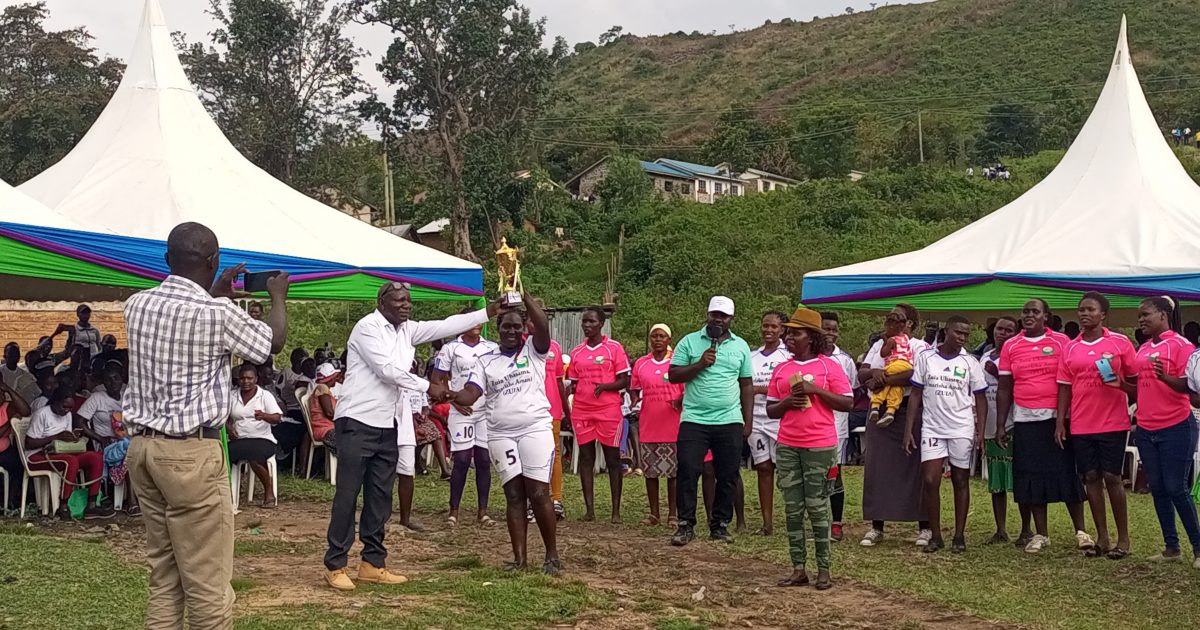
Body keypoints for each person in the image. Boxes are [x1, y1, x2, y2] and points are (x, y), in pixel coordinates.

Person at [124, 222, 287, 628]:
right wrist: (277, 297)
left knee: (165, 578)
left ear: (167, 258)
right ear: (214, 261)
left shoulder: (136, 304)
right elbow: (272, 344)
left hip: (144, 450)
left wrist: (214, 292)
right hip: (191, 455)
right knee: (208, 585)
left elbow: (185, 319)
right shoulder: (219, 314)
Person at [322, 281, 498, 591]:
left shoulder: (407, 330)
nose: (406, 305)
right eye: (399, 300)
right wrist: (429, 387)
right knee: (348, 495)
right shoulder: (367, 327)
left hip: (388, 423)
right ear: (382, 302)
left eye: (408, 300)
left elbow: (446, 325)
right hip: (357, 421)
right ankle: (335, 565)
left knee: (380, 496)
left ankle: (372, 563)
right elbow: (387, 370)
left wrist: (489, 311)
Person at [451, 294, 561, 574]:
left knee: (538, 493)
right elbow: (471, 393)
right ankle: (519, 559)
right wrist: (449, 394)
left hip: (534, 429)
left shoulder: (534, 350)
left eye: (516, 327)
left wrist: (523, 294)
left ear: (524, 328)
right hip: (500, 434)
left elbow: (543, 325)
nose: (511, 331)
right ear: (497, 329)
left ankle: (551, 555)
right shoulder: (485, 361)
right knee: (513, 495)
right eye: (506, 327)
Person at [766, 307, 852, 590]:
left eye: (796, 333)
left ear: (812, 337)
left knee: (818, 507)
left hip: (820, 447)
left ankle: (824, 569)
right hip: (788, 445)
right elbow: (771, 409)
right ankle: (798, 568)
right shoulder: (782, 369)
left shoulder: (829, 367)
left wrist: (816, 391)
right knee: (793, 509)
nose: (789, 337)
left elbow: (848, 402)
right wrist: (787, 403)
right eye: (789, 333)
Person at [996, 298, 1090, 554]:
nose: (1029, 315)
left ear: (1045, 316)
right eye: (1025, 311)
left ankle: (1081, 531)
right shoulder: (1011, 346)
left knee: (1066, 474)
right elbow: (1004, 388)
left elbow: (1068, 382)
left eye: (1035, 312)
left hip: (1057, 420)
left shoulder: (1061, 342)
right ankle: (1041, 534)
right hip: (1025, 420)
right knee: (1031, 476)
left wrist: (1062, 419)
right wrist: (1001, 424)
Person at [668, 296, 753, 546]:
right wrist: (699, 364)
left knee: (728, 474)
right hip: (694, 419)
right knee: (688, 470)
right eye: (714, 314)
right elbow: (673, 375)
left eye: (723, 316)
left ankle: (720, 525)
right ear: (707, 315)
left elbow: (746, 384)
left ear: (731, 319)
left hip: (729, 419)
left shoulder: (741, 346)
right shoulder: (689, 341)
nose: (718, 319)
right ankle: (685, 525)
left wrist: (747, 420)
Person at [1056, 293, 1135, 559]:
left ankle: (1123, 540)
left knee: (1112, 477)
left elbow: (1136, 382)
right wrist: (1060, 421)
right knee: (1090, 477)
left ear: (1103, 314)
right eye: (1081, 309)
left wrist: (1120, 385)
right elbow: (1064, 387)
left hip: (1113, 421)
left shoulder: (1120, 343)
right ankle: (1102, 538)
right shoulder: (1070, 347)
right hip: (1081, 422)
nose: (1084, 314)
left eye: (1090, 309)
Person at [904, 316, 987, 553]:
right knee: (931, 480)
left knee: (960, 480)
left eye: (966, 335)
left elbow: (980, 398)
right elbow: (916, 395)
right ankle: (936, 535)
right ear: (946, 331)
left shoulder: (970, 362)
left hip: (961, 427)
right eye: (958, 333)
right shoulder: (926, 357)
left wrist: (980, 431)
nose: (962, 338)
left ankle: (959, 536)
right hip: (932, 427)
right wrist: (909, 429)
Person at [1133, 296, 1200, 567]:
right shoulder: (1143, 348)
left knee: (1176, 487)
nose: (1141, 319)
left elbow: (1190, 386)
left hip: (1176, 426)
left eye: (1146, 314)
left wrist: (1166, 378)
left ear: (1163, 315)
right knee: (1158, 487)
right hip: (1146, 427)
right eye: (1140, 315)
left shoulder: (1182, 346)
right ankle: (1171, 547)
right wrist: (1118, 384)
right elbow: (1141, 385)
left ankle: (1198, 548)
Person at [858, 304, 931, 548]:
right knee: (877, 465)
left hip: (910, 409)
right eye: (888, 317)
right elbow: (862, 374)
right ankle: (877, 526)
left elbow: (915, 375)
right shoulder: (879, 345)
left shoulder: (920, 347)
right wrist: (874, 373)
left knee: (916, 465)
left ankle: (925, 526)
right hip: (879, 410)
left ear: (910, 324)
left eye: (897, 317)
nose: (890, 320)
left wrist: (882, 378)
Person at [431, 315, 499, 526]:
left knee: (483, 460)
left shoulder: (492, 347)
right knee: (461, 460)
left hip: (485, 411)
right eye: (471, 320)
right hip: (461, 411)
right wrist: (454, 400)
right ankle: (454, 511)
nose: (477, 324)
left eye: (479, 320)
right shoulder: (451, 348)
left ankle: (483, 512)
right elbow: (436, 380)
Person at [568, 306, 631, 523]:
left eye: (591, 321)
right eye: (584, 321)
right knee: (586, 458)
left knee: (612, 458)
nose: (587, 325)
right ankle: (589, 510)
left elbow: (625, 380)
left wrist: (605, 387)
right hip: (582, 410)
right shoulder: (577, 352)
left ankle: (616, 511)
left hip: (608, 410)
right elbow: (573, 383)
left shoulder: (614, 348)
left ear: (601, 324)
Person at [26, 385, 112, 519]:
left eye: (70, 408)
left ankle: (92, 505)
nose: (66, 411)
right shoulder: (41, 414)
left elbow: (65, 439)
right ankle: (63, 506)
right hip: (38, 456)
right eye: (64, 407)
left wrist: (72, 438)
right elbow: (29, 443)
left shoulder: (68, 415)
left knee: (96, 457)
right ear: (56, 402)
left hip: (62, 452)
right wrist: (55, 437)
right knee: (70, 461)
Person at [629, 323, 685, 527]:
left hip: (672, 423)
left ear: (669, 339)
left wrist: (679, 400)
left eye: (662, 336)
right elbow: (634, 388)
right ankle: (654, 513)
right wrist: (634, 398)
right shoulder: (641, 363)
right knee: (650, 471)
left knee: (674, 473)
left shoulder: (677, 362)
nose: (658, 339)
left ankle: (673, 514)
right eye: (654, 336)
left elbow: (687, 389)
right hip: (649, 422)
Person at [980, 315, 1028, 543]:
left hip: (1013, 423)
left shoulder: (1019, 356)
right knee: (996, 482)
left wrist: (997, 374)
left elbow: (1022, 387)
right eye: (1000, 329)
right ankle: (1000, 530)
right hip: (991, 424)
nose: (1003, 333)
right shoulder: (985, 357)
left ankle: (1026, 529)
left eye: (1009, 330)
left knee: (1020, 479)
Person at [748, 311, 791, 535]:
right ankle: (767, 524)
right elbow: (744, 385)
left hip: (780, 418)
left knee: (786, 469)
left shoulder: (788, 357)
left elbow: (790, 387)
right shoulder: (752, 356)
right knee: (763, 467)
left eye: (774, 327)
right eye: (765, 326)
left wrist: (760, 389)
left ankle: (794, 518)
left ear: (782, 329)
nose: (768, 330)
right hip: (756, 418)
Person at [820, 312, 858, 542]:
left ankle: (836, 523)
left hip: (837, 426)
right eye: (826, 328)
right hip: (812, 425)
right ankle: (816, 520)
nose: (831, 334)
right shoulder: (809, 357)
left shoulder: (845, 360)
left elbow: (852, 391)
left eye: (834, 330)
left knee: (835, 474)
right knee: (813, 474)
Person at [532, 302, 570, 520]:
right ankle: (533, 500)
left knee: (553, 453)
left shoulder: (554, 347)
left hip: (551, 409)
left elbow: (558, 382)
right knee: (530, 456)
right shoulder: (520, 346)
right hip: (528, 410)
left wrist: (567, 412)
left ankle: (555, 499)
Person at [228, 363, 283, 508]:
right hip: (239, 439)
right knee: (222, 453)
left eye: (249, 378)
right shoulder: (232, 395)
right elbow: (225, 418)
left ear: (256, 379)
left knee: (253, 452)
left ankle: (269, 491)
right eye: (242, 378)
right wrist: (229, 429)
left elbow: (278, 418)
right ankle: (228, 492)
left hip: (263, 439)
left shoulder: (265, 395)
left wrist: (264, 416)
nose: (246, 381)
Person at [868, 310, 913, 428]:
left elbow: (883, 353)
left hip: (896, 364)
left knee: (881, 378)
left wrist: (885, 342)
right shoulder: (906, 338)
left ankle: (875, 405)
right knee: (896, 386)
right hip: (906, 365)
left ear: (892, 326)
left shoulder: (892, 340)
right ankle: (891, 411)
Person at [274, 348, 310, 466]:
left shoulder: (307, 374)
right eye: (300, 358)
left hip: (306, 410)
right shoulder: (286, 372)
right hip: (292, 409)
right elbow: (277, 389)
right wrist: (282, 404)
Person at [0, 376, 31, 511]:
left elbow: (26, 411)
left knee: (21, 463)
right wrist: (10, 422)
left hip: (5, 451)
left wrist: (9, 389)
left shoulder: (6, 407)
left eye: (2, 393)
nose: (1, 396)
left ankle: (11, 501)